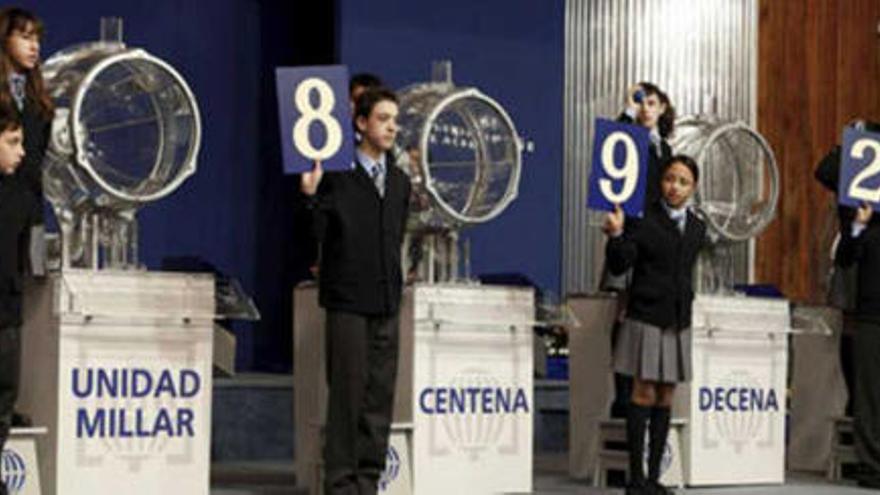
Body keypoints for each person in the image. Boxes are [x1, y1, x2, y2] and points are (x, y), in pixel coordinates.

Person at [301, 87, 410, 495]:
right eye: (383, 119)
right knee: (346, 398)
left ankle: (369, 481)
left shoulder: (399, 182)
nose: (392, 127)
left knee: (379, 399)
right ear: (361, 124)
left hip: (386, 303)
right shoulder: (336, 176)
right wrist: (310, 198)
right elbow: (312, 237)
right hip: (347, 301)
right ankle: (342, 484)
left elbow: (395, 237)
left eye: (395, 120)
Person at [603, 155, 708, 495]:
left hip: (678, 320)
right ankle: (635, 479)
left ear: (693, 188)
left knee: (666, 396)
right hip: (646, 315)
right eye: (669, 179)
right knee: (643, 392)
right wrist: (617, 235)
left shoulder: (697, 226)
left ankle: (653, 478)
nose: (674, 186)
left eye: (682, 181)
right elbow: (620, 264)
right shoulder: (643, 218)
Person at [606, 82, 677, 420]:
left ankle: (642, 392)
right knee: (624, 312)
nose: (646, 108)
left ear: (663, 107)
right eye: (640, 103)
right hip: (630, 234)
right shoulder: (627, 140)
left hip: (657, 241)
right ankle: (621, 396)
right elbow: (611, 151)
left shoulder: (667, 149)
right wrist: (627, 112)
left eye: (651, 103)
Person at [0, 105, 35, 495]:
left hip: (7, 319)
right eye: (12, 142)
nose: (22, 151)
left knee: (4, 402)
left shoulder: (22, 198)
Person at [835, 191, 880, 489]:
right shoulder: (867, 220)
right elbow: (844, 257)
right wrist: (858, 226)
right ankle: (872, 464)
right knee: (869, 394)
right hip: (871, 316)